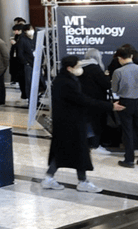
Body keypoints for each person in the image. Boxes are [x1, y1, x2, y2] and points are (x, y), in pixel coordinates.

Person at [41, 56, 124, 193]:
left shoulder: (62, 79)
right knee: (80, 151)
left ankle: (51, 178)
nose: (80, 69)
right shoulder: (67, 83)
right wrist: (109, 106)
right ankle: (82, 181)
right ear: (70, 68)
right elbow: (82, 100)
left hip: (66, 123)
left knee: (64, 151)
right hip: (71, 123)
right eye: (78, 66)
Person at [111, 46, 138, 168]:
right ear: (131, 56)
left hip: (125, 102)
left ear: (119, 58)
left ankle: (129, 160)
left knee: (128, 131)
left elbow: (114, 89)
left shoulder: (118, 72)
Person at [77, 49, 112, 152]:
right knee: (97, 123)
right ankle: (95, 146)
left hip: (83, 100)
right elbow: (106, 84)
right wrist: (107, 77)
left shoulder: (80, 67)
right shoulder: (95, 68)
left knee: (86, 123)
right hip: (97, 100)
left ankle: (86, 144)